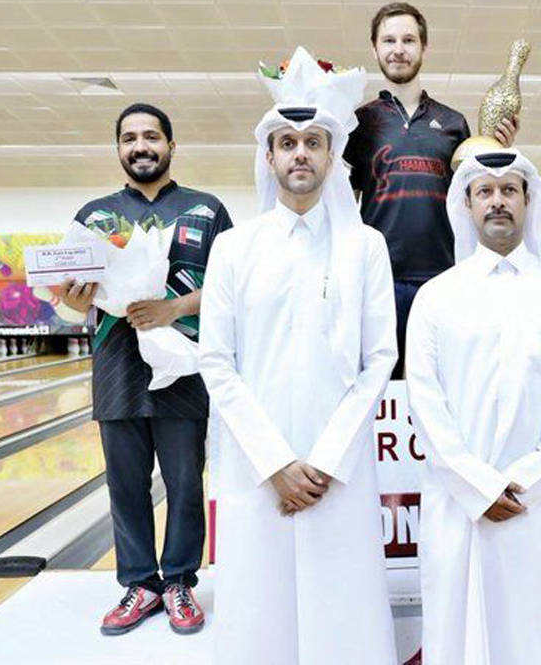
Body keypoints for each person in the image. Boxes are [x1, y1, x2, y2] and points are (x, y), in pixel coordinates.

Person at [198, 47, 397, 664]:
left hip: (339, 466)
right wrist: (275, 462)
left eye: (313, 142)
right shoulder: (234, 248)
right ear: (270, 157)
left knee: (342, 607)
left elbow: (379, 359)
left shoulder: (365, 247)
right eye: (288, 143)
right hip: (257, 467)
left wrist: (326, 460)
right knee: (262, 610)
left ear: (332, 157)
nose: (301, 153)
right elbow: (216, 361)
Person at [406, 150, 541, 664]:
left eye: (509, 190)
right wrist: (477, 485)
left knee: (535, 638)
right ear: (467, 204)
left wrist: (526, 479)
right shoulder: (437, 296)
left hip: (538, 501)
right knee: (458, 636)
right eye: (485, 192)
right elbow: (425, 402)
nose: (497, 201)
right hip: (457, 501)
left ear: (527, 201)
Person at [60, 102, 230, 636]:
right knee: (125, 485)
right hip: (116, 367)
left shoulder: (206, 209)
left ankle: (178, 581)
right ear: (118, 148)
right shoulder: (93, 216)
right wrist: (73, 299)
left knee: (185, 483)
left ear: (171, 145)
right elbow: (70, 303)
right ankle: (139, 584)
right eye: (130, 138)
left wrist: (173, 309)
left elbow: (230, 289)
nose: (141, 146)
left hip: (185, 368)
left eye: (151, 136)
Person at [344, 1, 518, 376]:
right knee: (380, 386)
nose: (398, 49)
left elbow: (477, 200)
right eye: (389, 40)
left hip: (444, 278)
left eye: (408, 40)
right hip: (379, 281)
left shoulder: (454, 123)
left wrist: (499, 152)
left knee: (442, 384)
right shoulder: (356, 123)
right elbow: (345, 205)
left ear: (424, 47)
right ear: (374, 48)